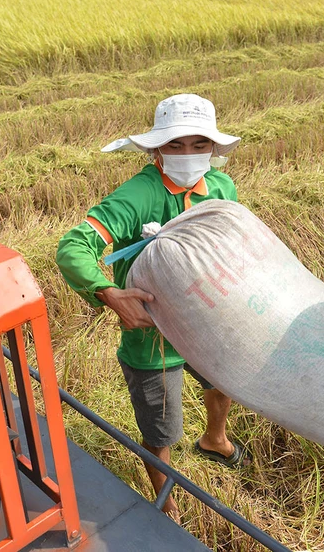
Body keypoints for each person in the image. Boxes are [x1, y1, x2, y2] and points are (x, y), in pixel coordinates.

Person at [56, 94, 250, 518]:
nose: (188, 155)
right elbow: (73, 247)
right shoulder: (138, 196)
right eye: (175, 144)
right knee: (162, 430)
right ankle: (168, 505)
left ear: (213, 149)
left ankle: (214, 440)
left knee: (224, 383)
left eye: (199, 145)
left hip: (205, 318)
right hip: (153, 335)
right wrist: (109, 293)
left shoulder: (221, 187)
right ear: (155, 148)